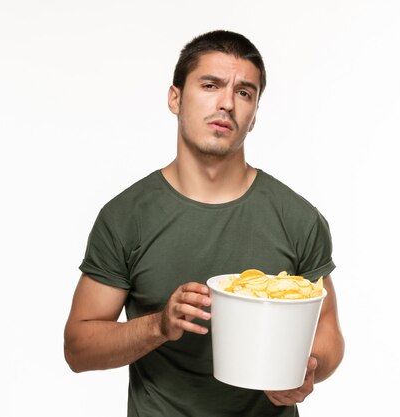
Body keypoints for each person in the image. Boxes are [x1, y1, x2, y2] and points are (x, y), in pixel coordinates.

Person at [64, 30, 344, 417]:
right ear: (175, 98)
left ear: (255, 115)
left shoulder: (297, 218)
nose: (227, 103)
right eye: (210, 85)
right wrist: (159, 325)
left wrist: (306, 370)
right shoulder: (126, 217)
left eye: (244, 92)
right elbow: (78, 347)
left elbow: (327, 331)